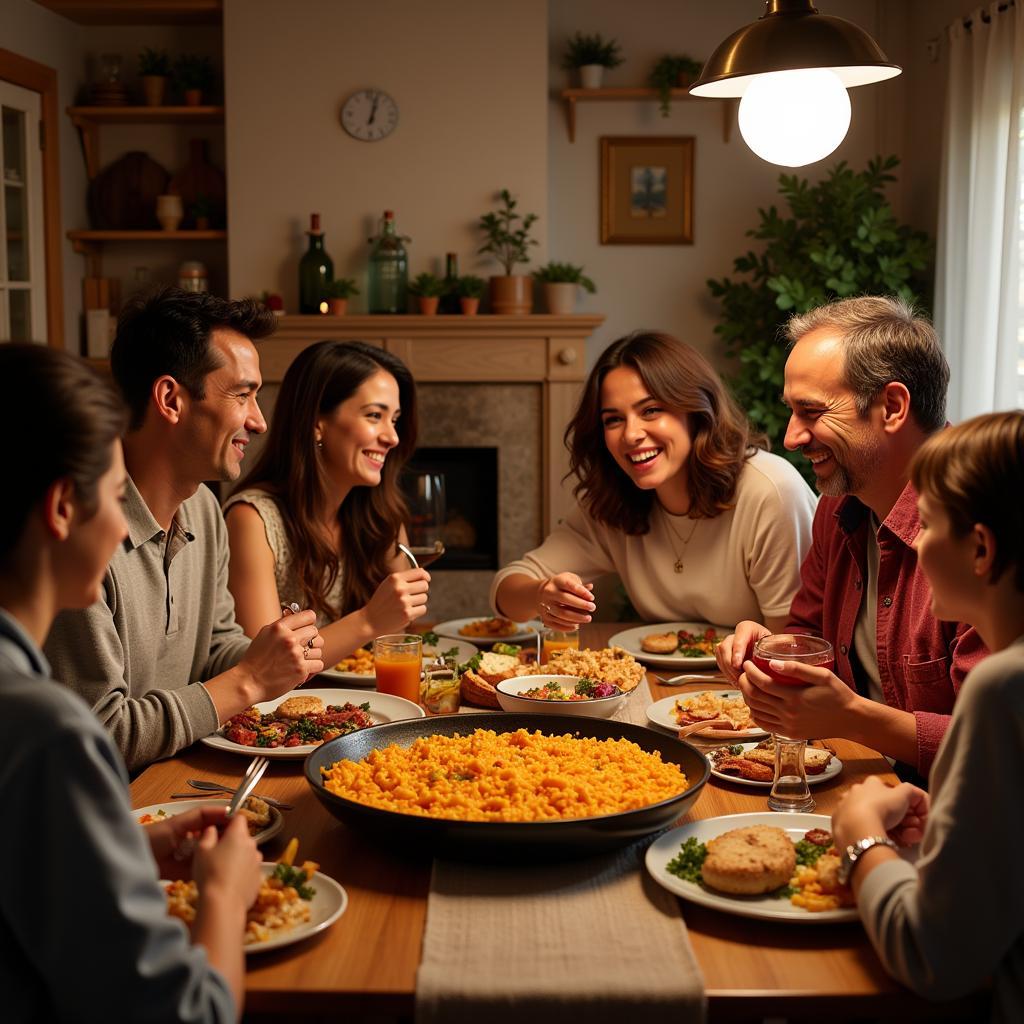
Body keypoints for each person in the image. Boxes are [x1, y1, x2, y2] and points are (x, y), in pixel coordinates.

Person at [0, 344, 262, 1023]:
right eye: (117, 497)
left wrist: (123, 850)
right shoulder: (46, 731)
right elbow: (189, 1013)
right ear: (63, 509)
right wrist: (226, 897)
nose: (125, 525)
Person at [44, 288, 324, 773]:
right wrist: (250, 681)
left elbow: (215, 650)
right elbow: (99, 734)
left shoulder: (202, 509)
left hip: (177, 773)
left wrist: (273, 653)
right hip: (111, 807)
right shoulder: (83, 537)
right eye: (243, 394)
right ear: (171, 399)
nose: (259, 422)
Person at [717, 296, 986, 779]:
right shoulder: (839, 504)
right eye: (791, 412)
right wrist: (770, 651)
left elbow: (997, 744)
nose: (791, 438)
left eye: (811, 412)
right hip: (859, 777)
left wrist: (850, 718)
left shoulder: (984, 528)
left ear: (893, 407)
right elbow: (807, 633)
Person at [830, 411, 1024, 1020]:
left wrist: (860, 836)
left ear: (982, 549)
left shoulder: (1003, 687)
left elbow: (933, 956)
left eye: (930, 524)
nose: (914, 541)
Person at [491, 330, 816, 631]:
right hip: (667, 684)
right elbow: (506, 588)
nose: (631, 435)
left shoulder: (770, 491)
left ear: (696, 410)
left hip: (754, 686)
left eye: (650, 411)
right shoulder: (614, 502)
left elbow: (790, 645)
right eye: (614, 419)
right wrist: (540, 595)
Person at [224, 340, 429, 665]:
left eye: (395, 419)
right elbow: (262, 667)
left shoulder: (380, 517)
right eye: (375, 415)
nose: (392, 437)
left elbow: (399, 635)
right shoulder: (253, 519)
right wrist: (369, 621)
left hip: (362, 703)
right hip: (281, 712)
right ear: (317, 423)